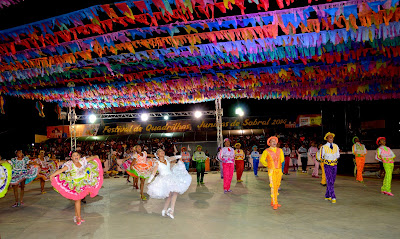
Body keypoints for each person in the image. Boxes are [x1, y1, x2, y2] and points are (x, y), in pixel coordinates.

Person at [50, 152, 103, 225]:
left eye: (77, 155)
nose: (76, 156)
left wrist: (95, 156)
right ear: (71, 158)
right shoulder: (69, 164)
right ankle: (79, 218)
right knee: (77, 200)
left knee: (78, 200)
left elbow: (91, 158)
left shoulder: (82, 161)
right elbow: (61, 170)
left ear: (79, 156)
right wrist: (52, 175)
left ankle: (76, 216)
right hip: (75, 185)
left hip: (83, 183)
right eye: (74, 155)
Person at [147, 149, 191, 219]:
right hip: (164, 179)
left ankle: (170, 210)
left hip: (171, 177)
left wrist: (180, 156)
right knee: (169, 196)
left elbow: (174, 157)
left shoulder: (167, 159)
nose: (162, 152)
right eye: (160, 152)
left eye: (163, 151)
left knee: (175, 192)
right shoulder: (157, 162)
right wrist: (149, 181)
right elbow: (153, 173)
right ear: (158, 155)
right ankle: (165, 210)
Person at [260, 136, 284, 210]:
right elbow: (262, 160)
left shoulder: (280, 150)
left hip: (279, 170)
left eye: (275, 141)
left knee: (277, 185)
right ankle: (275, 202)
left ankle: (272, 201)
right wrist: (268, 165)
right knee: (273, 185)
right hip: (272, 170)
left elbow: (282, 159)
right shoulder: (266, 151)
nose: (274, 142)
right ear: (269, 143)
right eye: (272, 141)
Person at [318, 132, 340, 203]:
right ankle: (333, 196)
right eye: (329, 137)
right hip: (327, 165)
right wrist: (327, 160)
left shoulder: (336, 146)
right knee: (329, 180)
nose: (331, 138)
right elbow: (321, 157)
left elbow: (338, 155)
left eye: (332, 137)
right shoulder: (323, 147)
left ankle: (327, 195)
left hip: (334, 165)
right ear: (326, 139)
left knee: (332, 181)